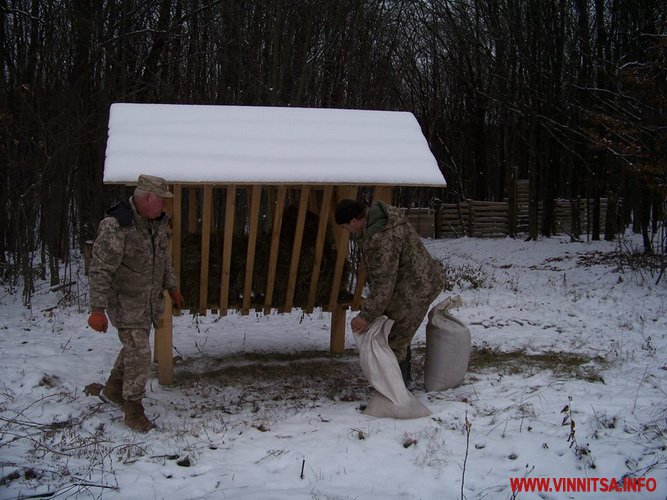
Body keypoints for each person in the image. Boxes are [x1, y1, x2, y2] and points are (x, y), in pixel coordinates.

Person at [87, 174, 184, 432]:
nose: (164, 206)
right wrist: (97, 310)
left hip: (147, 303)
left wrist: (172, 287)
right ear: (148, 198)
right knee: (140, 353)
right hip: (126, 303)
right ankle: (133, 411)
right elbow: (100, 269)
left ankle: (112, 390)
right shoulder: (117, 226)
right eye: (161, 201)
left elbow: (162, 261)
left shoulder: (156, 224)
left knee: (132, 349)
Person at [335, 198, 445, 390]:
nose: (347, 231)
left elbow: (384, 282)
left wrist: (366, 315)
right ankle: (402, 384)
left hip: (418, 287)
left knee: (395, 339)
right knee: (398, 330)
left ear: (354, 220)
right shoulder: (373, 224)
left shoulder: (381, 237)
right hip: (410, 282)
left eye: (345, 226)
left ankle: (398, 394)